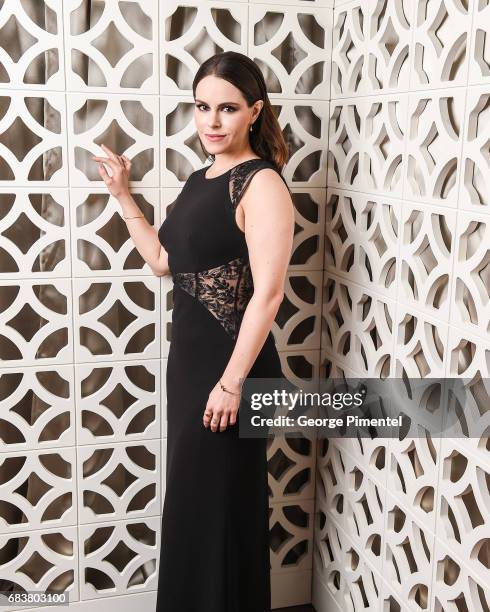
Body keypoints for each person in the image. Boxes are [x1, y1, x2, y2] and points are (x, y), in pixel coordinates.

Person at [92, 50, 294, 612]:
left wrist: (232, 384)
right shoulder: (199, 178)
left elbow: (269, 294)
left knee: (220, 515)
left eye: (227, 109)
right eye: (203, 106)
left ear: (254, 112)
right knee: (195, 511)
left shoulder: (262, 185)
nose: (211, 121)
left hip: (235, 376)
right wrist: (124, 196)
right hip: (190, 373)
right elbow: (162, 261)